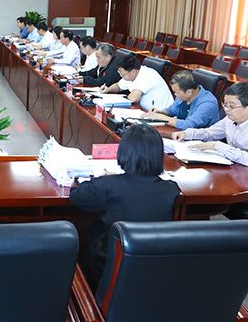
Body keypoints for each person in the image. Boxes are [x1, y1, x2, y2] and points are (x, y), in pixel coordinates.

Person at [70, 123, 180, 289]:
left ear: (124, 152)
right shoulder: (171, 189)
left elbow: (76, 196)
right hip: (153, 272)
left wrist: (103, 179)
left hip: (109, 271)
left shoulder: (108, 185)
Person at [172, 82, 248, 185]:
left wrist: (218, 146)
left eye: (231, 106)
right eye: (225, 104)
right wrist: (187, 134)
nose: (226, 109)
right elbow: (210, 133)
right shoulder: (231, 118)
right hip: (238, 173)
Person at [142, 70, 220, 129]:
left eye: (176, 92)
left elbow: (189, 125)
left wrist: (161, 118)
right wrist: (160, 112)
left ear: (189, 92)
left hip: (201, 141)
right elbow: (171, 111)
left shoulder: (208, 103)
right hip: (181, 135)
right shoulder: (183, 96)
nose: (175, 95)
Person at [102, 55, 173, 111]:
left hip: (161, 114)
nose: (121, 75)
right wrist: (108, 89)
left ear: (133, 71)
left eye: (121, 73)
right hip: (146, 111)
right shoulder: (130, 74)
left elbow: (133, 98)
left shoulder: (148, 75)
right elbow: (118, 86)